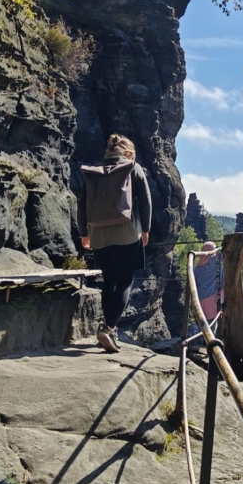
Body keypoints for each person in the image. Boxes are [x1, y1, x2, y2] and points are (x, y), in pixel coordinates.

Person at [77, 134, 151, 353]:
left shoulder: (94, 172)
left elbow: (82, 205)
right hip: (128, 233)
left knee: (109, 281)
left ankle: (107, 327)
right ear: (128, 152)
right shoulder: (133, 168)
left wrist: (84, 233)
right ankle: (108, 328)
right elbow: (146, 201)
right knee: (125, 281)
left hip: (99, 235)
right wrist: (145, 229)